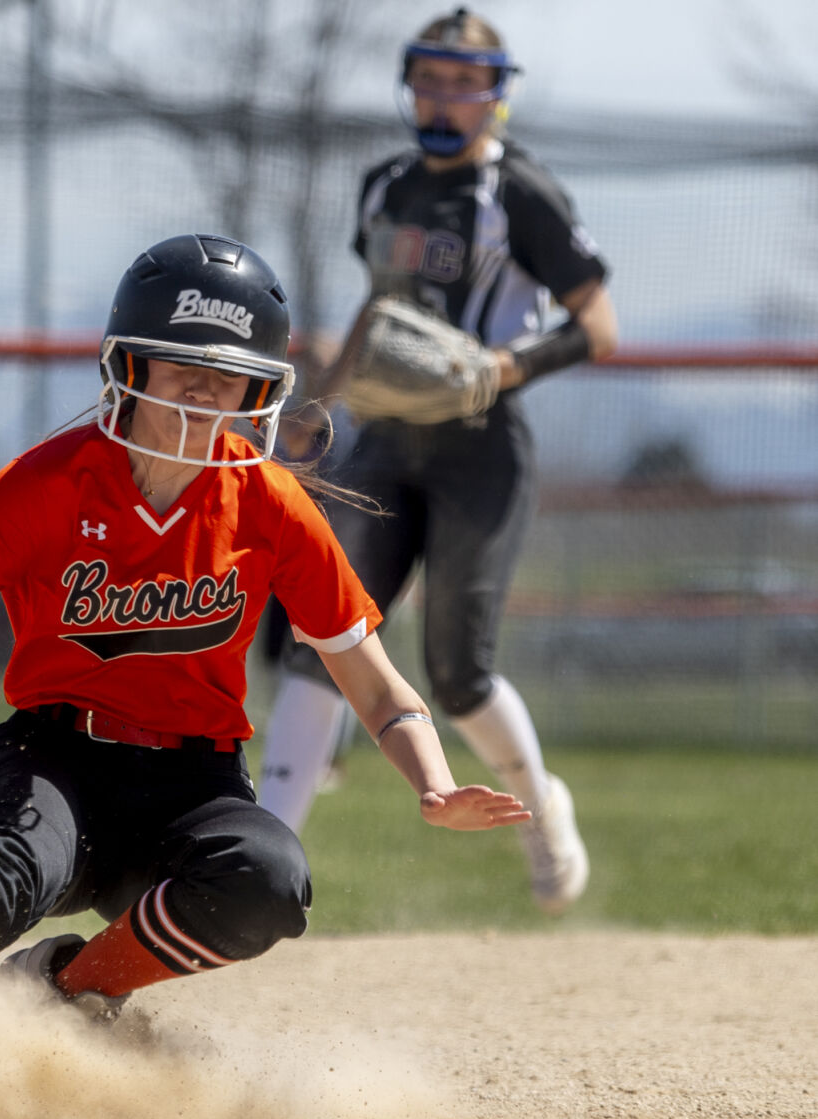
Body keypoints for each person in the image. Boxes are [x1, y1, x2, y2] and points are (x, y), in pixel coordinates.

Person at [0, 233, 528, 1053]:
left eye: (226, 379)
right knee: (10, 869)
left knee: (268, 881)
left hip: (190, 777)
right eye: (180, 369)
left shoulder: (271, 506)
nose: (201, 395)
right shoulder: (43, 483)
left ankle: (64, 991)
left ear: (259, 391)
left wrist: (432, 785)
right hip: (52, 756)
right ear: (129, 370)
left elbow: (377, 685)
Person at [257, 8, 619, 914]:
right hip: (383, 438)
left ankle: (541, 812)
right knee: (324, 636)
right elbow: (378, 320)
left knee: (457, 673)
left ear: (496, 95)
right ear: (408, 82)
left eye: (466, 81)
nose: (444, 96)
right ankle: (258, 860)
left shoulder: (518, 194)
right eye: (430, 76)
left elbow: (597, 326)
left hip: (479, 448)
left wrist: (507, 365)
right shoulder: (385, 185)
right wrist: (320, 407)